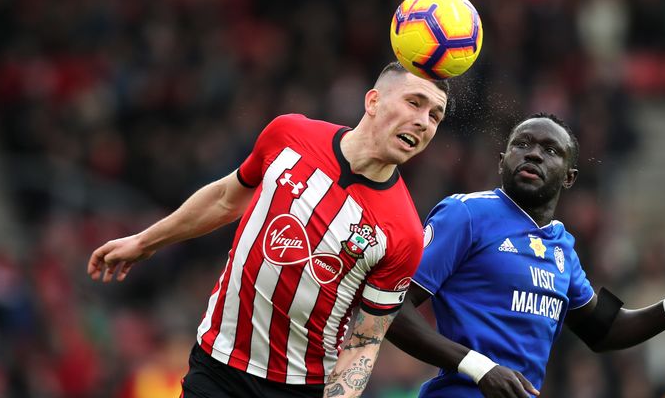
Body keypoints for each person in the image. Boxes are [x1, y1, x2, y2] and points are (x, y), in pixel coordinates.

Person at [87, 61, 449, 398]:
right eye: (414, 103)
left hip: (298, 388)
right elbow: (226, 199)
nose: (424, 122)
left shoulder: (404, 231)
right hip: (217, 363)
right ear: (373, 100)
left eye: (435, 115)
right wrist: (144, 241)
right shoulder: (289, 135)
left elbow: (365, 340)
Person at [385, 113, 665, 398]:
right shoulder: (466, 215)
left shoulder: (561, 246)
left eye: (550, 150)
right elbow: (391, 309)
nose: (534, 153)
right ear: (501, 161)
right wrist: (479, 368)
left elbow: (603, 331)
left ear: (569, 177)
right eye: (521, 144)